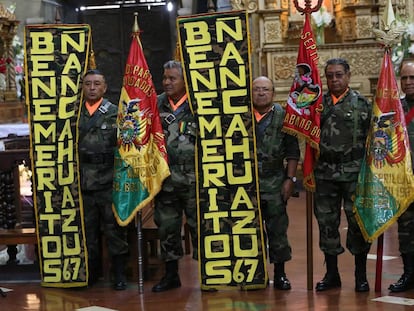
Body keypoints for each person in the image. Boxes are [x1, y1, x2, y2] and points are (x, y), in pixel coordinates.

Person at [313, 58, 372, 292]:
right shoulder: (317, 105)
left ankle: (360, 275)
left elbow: (373, 138)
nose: (334, 80)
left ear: (348, 75)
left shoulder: (361, 104)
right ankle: (332, 274)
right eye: (330, 76)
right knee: (327, 224)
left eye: (339, 75)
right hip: (326, 173)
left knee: (358, 224)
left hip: (354, 172)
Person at [79, 69, 129, 290]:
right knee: (88, 230)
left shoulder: (114, 113)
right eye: (88, 84)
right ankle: (92, 272)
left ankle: (118, 274)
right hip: (83, 181)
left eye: (96, 84)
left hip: (109, 180)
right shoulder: (74, 113)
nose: (92, 88)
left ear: (105, 87)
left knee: (114, 230)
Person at [152, 60, 197, 292]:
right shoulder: (156, 104)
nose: (167, 82)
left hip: (193, 180)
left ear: (184, 81)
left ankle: (208, 274)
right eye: (165, 78)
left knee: (200, 225)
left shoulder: (197, 103)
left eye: (172, 78)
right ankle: (171, 275)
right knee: (167, 227)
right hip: (166, 180)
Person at [252, 76, 300, 290]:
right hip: (247, 183)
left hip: (274, 181)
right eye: (256, 89)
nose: (261, 93)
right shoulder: (240, 116)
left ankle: (280, 273)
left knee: (277, 230)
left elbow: (292, 153)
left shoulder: (284, 117)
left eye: (265, 89)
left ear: (272, 93)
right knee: (251, 230)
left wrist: (290, 180)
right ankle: (255, 273)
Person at [389, 62, 414, 292]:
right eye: (404, 78)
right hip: (404, 183)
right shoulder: (396, 109)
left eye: (412, 78)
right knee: (405, 231)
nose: (407, 82)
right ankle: (408, 274)